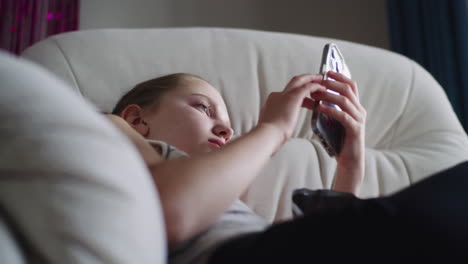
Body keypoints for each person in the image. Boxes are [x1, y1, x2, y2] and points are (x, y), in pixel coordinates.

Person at [105, 72, 468, 263]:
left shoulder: (227, 199)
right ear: (137, 118)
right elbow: (174, 211)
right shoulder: (113, 131)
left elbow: (326, 247)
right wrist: (274, 128)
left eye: (228, 123)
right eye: (203, 107)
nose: (227, 129)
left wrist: (350, 163)